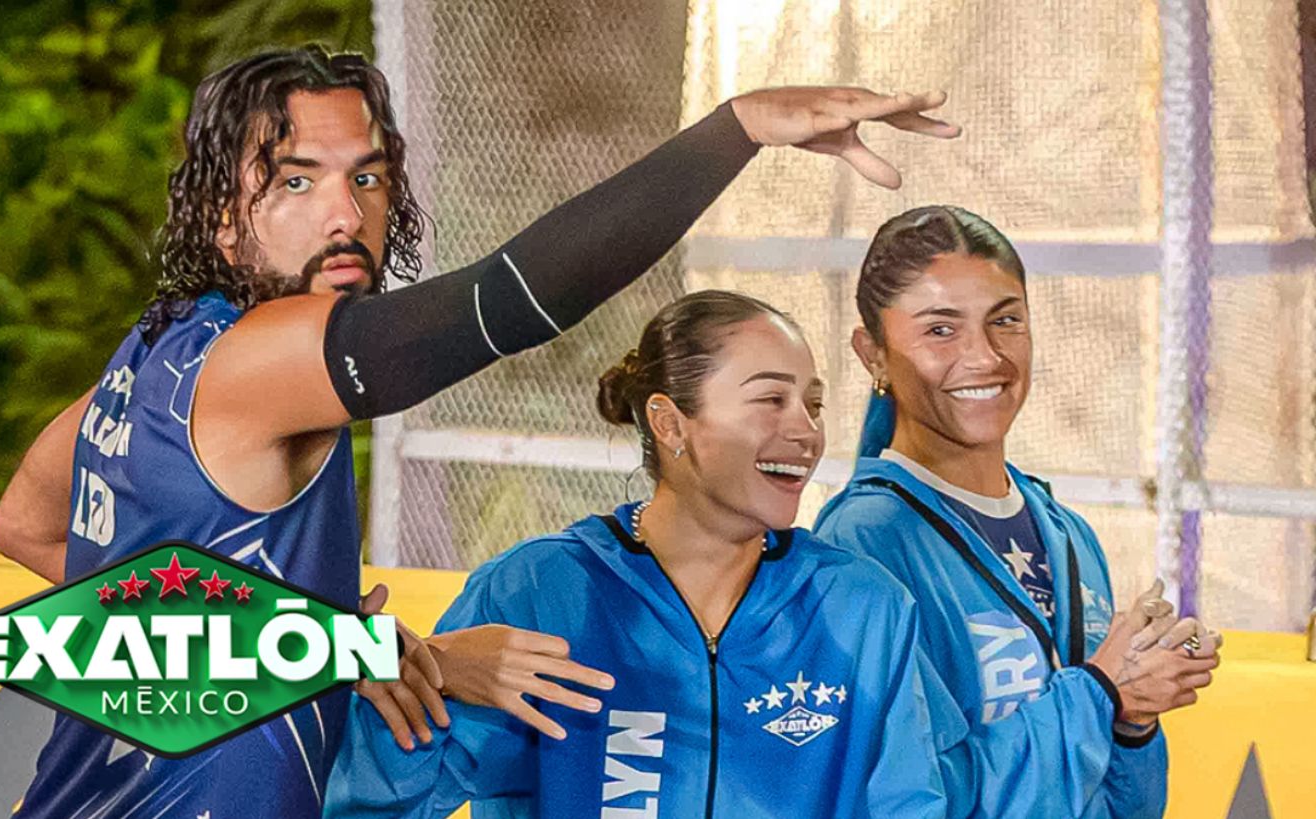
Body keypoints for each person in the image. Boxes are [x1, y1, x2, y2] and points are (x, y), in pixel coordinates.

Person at [0, 44, 962, 818]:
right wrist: (736, 129)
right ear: (221, 218)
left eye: (368, 177)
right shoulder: (262, 358)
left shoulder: (159, 357)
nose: (345, 214)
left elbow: (28, 528)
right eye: (294, 181)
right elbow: (508, 300)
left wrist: (322, 643)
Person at [326, 290, 949, 819]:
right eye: (770, 400)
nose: (806, 432)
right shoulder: (541, 593)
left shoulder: (862, 607)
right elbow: (375, 803)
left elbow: (908, 805)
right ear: (670, 423)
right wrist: (396, 672)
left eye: (813, 405)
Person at [813, 205, 1222, 818]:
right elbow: (913, 796)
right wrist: (1100, 692)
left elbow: (1120, 803)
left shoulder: (1066, 532)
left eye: (1006, 321)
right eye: (941, 329)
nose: (985, 357)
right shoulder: (863, 542)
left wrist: (1133, 719)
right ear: (872, 353)